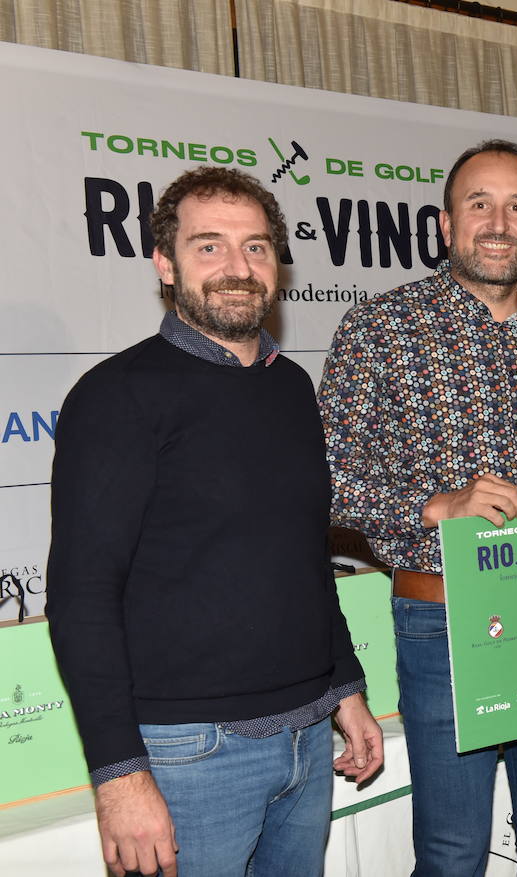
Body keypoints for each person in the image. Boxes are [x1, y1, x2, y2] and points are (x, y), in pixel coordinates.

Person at [47, 166, 383, 877]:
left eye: (256, 247)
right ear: (164, 264)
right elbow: (81, 596)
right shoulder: (116, 397)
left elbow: (301, 556)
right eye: (210, 247)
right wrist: (118, 773)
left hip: (307, 737)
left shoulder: (291, 386)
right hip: (189, 756)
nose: (238, 267)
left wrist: (344, 688)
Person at [318, 139, 517, 875]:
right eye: (479, 204)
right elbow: (322, 476)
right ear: (444, 224)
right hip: (443, 624)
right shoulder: (381, 327)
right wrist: (433, 506)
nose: (499, 221)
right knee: (455, 854)